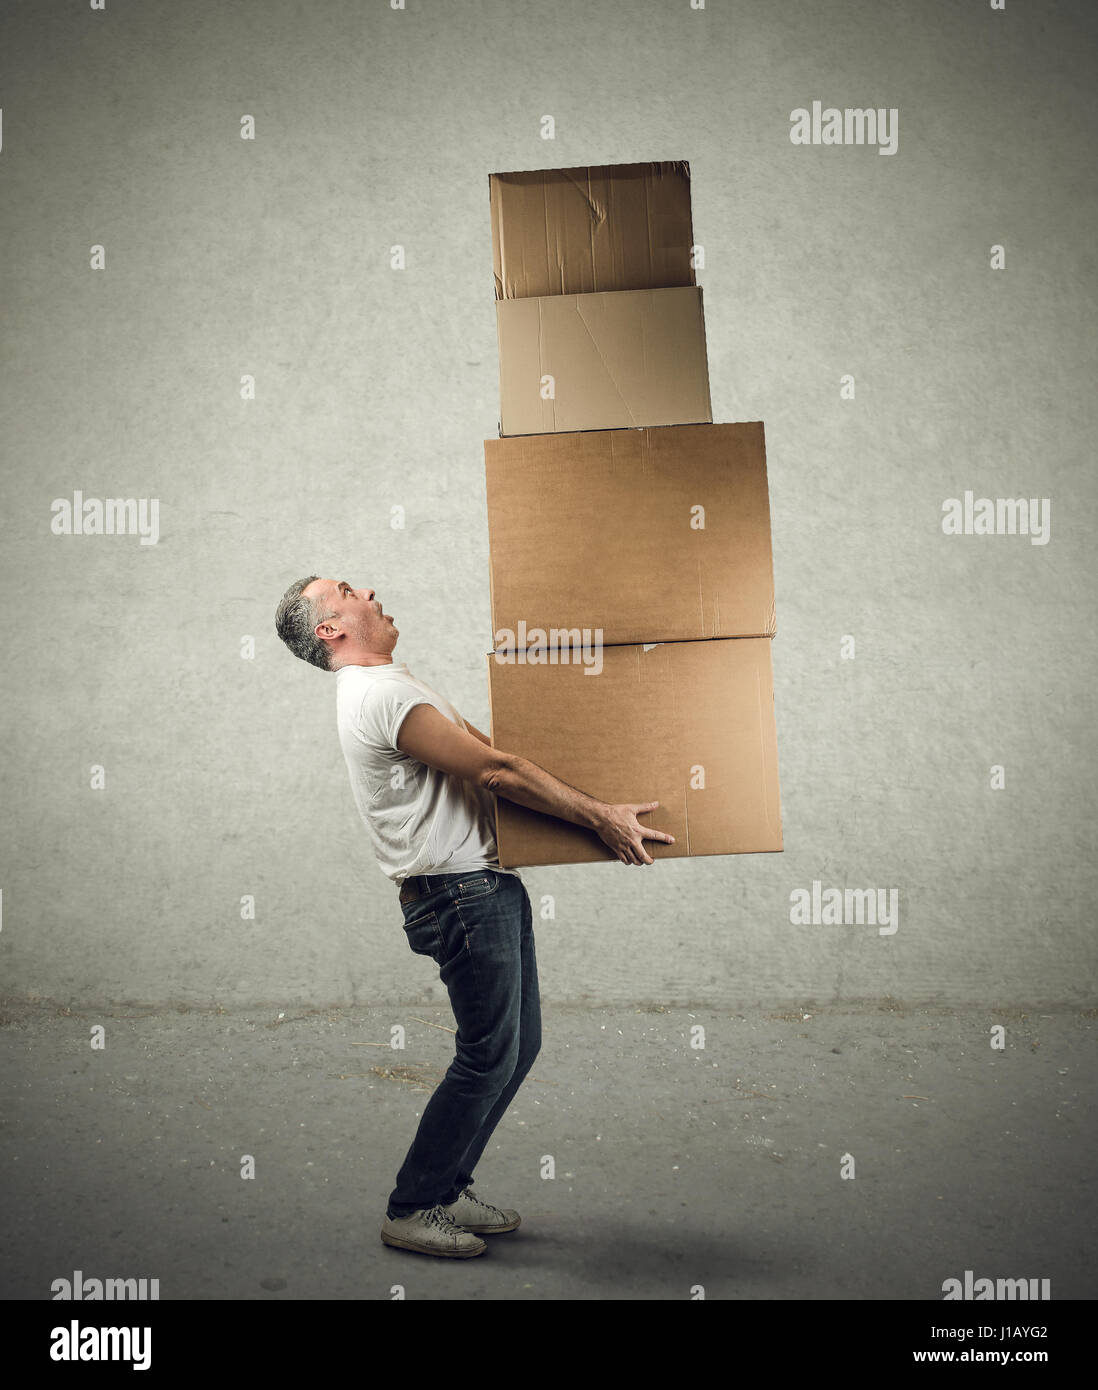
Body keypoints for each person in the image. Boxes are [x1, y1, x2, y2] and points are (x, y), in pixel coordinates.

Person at [275, 575, 673, 1258]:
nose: (369, 589)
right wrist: (600, 819)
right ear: (329, 629)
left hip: (482, 884)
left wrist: (591, 794)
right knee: (488, 1053)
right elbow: (496, 771)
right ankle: (413, 1206)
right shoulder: (381, 695)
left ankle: (448, 1187)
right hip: (458, 894)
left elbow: (499, 759)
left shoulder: (396, 686)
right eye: (347, 590)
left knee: (517, 1049)